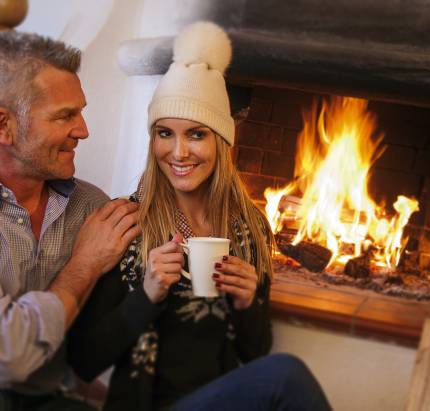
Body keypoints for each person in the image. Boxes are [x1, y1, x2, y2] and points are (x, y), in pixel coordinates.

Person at [68, 22, 331, 411]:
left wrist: (247, 305)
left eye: (196, 134)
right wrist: (147, 294)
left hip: (222, 401)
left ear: (221, 142)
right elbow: (84, 361)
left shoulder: (250, 228)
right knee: (287, 375)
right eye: (164, 133)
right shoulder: (126, 224)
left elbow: (255, 354)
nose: (178, 152)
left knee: (280, 377)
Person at [0, 32, 140, 410]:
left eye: (80, 111)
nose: (83, 130)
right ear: (3, 127)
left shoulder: (88, 206)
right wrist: (84, 266)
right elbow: (5, 355)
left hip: (47, 399)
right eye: (65, 115)